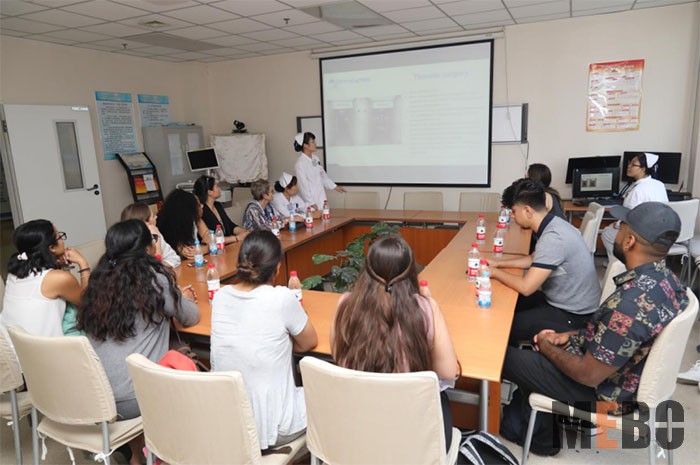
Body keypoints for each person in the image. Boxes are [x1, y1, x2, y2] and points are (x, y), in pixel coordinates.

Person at [500, 202, 688, 455]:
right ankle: (531, 422)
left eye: (621, 227)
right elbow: (617, 336)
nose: (615, 232)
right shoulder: (667, 281)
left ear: (630, 241)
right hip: (621, 376)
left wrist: (546, 347)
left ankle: (539, 437)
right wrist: (569, 336)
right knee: (529, 345)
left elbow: (588, 375)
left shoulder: (630, 305)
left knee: (498, 355)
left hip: (603, 393)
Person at [78, 220, 199, 465]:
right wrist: (180, 296)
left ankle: (136, 455)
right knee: (187, 368)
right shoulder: (153, 280)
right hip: (136, 396)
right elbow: (190, 317)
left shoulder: (98, 282)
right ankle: (164, 453)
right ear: (147, 249)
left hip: (98, 393)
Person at [331, 235, 459, 451]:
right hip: (411, 435)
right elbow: (448, 370)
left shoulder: (345, 305)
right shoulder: (424, 308)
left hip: (358, 428)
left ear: (367, 270)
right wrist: (429, 305)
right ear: (410, 271)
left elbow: (337, 355)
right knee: (443, 399)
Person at [210, 230, 317, 450]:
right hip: (273, 427)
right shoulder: (281, 298)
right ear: (277, 268)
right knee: (329, 395)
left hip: (228, 425)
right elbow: (309, 342)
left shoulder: (220, 296)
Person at [490, 179, 600, 345]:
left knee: (503, 323)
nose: (512, 216)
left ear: (527, 211)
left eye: (513, 211)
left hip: (573, 315)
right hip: (563, 301)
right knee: (505, 304)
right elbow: (532, 259)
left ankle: (508, 357)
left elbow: (526, 287)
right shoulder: (554, 223)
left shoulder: (554, 237)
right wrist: (498, 263)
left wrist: (494, 273)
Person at [1, 220, 89, 345]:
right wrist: (83, 263)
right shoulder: (58, 279)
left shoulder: (14, 273)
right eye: (60, 237)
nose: (63, 241)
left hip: (10, 347)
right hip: (44, 352)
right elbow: (87, 304)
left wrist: (62, 266)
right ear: (52, 248)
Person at [601, 153, 668, 262]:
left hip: (642, 233)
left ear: (643, 169)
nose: (629, 166)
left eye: (633, 164)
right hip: (660, 232)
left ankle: (619, 264)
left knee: (606, 233)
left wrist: (617, 224)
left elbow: (630, 217)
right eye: (629, 163)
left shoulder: (637, 190)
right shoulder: (659, 184)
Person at [192, 175, 250, 245]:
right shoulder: (202, 211)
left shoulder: (218, 205)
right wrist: (236, 238)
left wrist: (246, 232)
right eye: (217, 186)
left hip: (229, 244)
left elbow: (231, 226)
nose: (219, 188)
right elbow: (210, 238)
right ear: (210, 192)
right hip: (216, 247)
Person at [293, 132, 345, 208]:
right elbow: (303, 186)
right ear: (305, 145)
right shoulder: (300, 163)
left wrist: (334, 186)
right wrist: (311, 203)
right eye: (313, 142)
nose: (315, 144)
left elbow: (323, 176)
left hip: (321, 198)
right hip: (311, 202)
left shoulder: (315, 158)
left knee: (324, 213)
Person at [120, 202, 180, 268]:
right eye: (153, 216)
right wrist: (156, 238)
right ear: (146, 223)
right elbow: (154, 263)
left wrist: (162, 266)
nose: (156, 217)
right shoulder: (127, 242)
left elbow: (175, 258)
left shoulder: (156, 233)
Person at [156, 188, 209, 259]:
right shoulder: (168, 227)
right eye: (198, 205)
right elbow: (185, 251)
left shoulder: (195, 219)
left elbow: (208, 235)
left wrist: (205, 248)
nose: (202, 206)